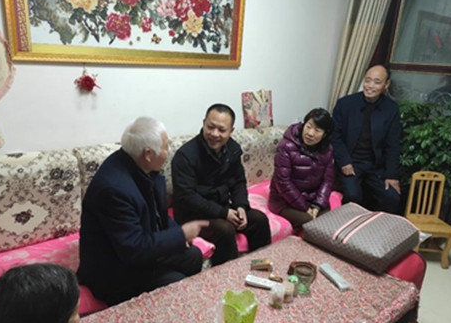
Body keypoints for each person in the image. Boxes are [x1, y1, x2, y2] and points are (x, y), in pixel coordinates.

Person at [77, 117, 208, 306]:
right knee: (175, 282)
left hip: (141, 249)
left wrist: (178, 235)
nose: (168, 151)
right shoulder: (113, 189)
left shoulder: (139, 164)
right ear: (148, 153)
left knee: (193, 256)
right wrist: (181, 234)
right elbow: (133, 249)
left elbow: (158, 214)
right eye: (166, 146)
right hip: (115, 269)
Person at [171, 103, 271, 266]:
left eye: (222, 130)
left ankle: (260, 268)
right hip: (192, 213)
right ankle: (227, 275)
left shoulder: (232, 149)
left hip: (221, 207)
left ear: (231, 131)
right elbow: (187, 197)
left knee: (259, 220)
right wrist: (224, 213)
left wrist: (240, 206)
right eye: (210, 127)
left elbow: (238, 181)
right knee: (225, 230)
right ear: (203, 123)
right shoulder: (185, 156)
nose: (214, 134)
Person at [331, 64, 401, 214]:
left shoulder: (391, 109)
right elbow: (335, 136)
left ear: (386, 84)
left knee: (392, 197)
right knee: (353, 196)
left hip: (376, 167)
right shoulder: (345, 104)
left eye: (377, 82)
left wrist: (391, 175)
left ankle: (376, 228)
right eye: (367, 80)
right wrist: (344, 161)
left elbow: (393, 144)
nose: (370, 86)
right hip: (351, 163)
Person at [268, 108, 335, 228]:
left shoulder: (327, 149)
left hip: (312, 198)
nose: (310, 133)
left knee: (327, 220)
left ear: (325, 134)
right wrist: (305, 208)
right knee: (309, 222)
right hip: (284, 200)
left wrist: (317, 205)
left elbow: (327, 180)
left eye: (317, 130)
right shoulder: (286, 146)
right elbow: (283, 182)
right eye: (308, 127)